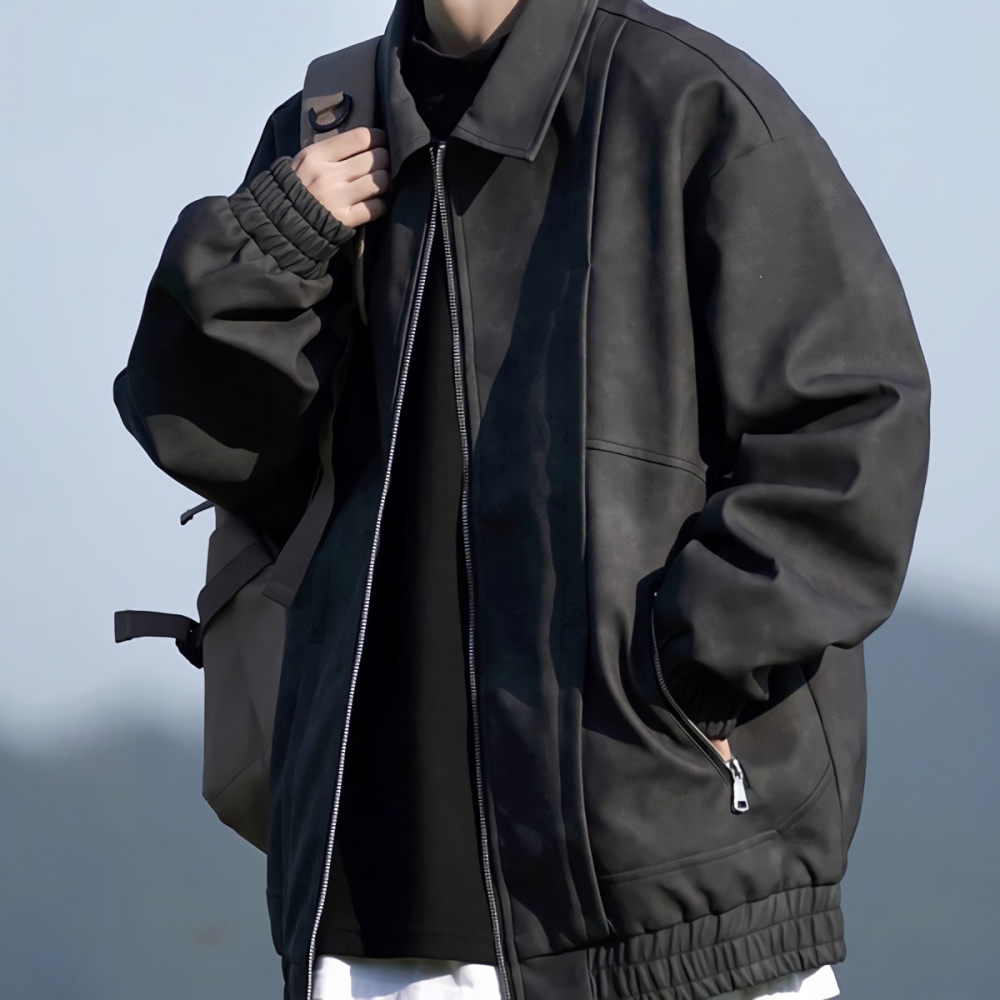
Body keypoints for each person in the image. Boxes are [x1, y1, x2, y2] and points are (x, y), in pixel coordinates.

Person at [114, 0, 931, 998]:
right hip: (379, 917)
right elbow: (213, 441)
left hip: (663, 895)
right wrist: (268, 248)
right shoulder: (326, 125)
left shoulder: (687, 102)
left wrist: (689, 674)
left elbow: (851, 422)